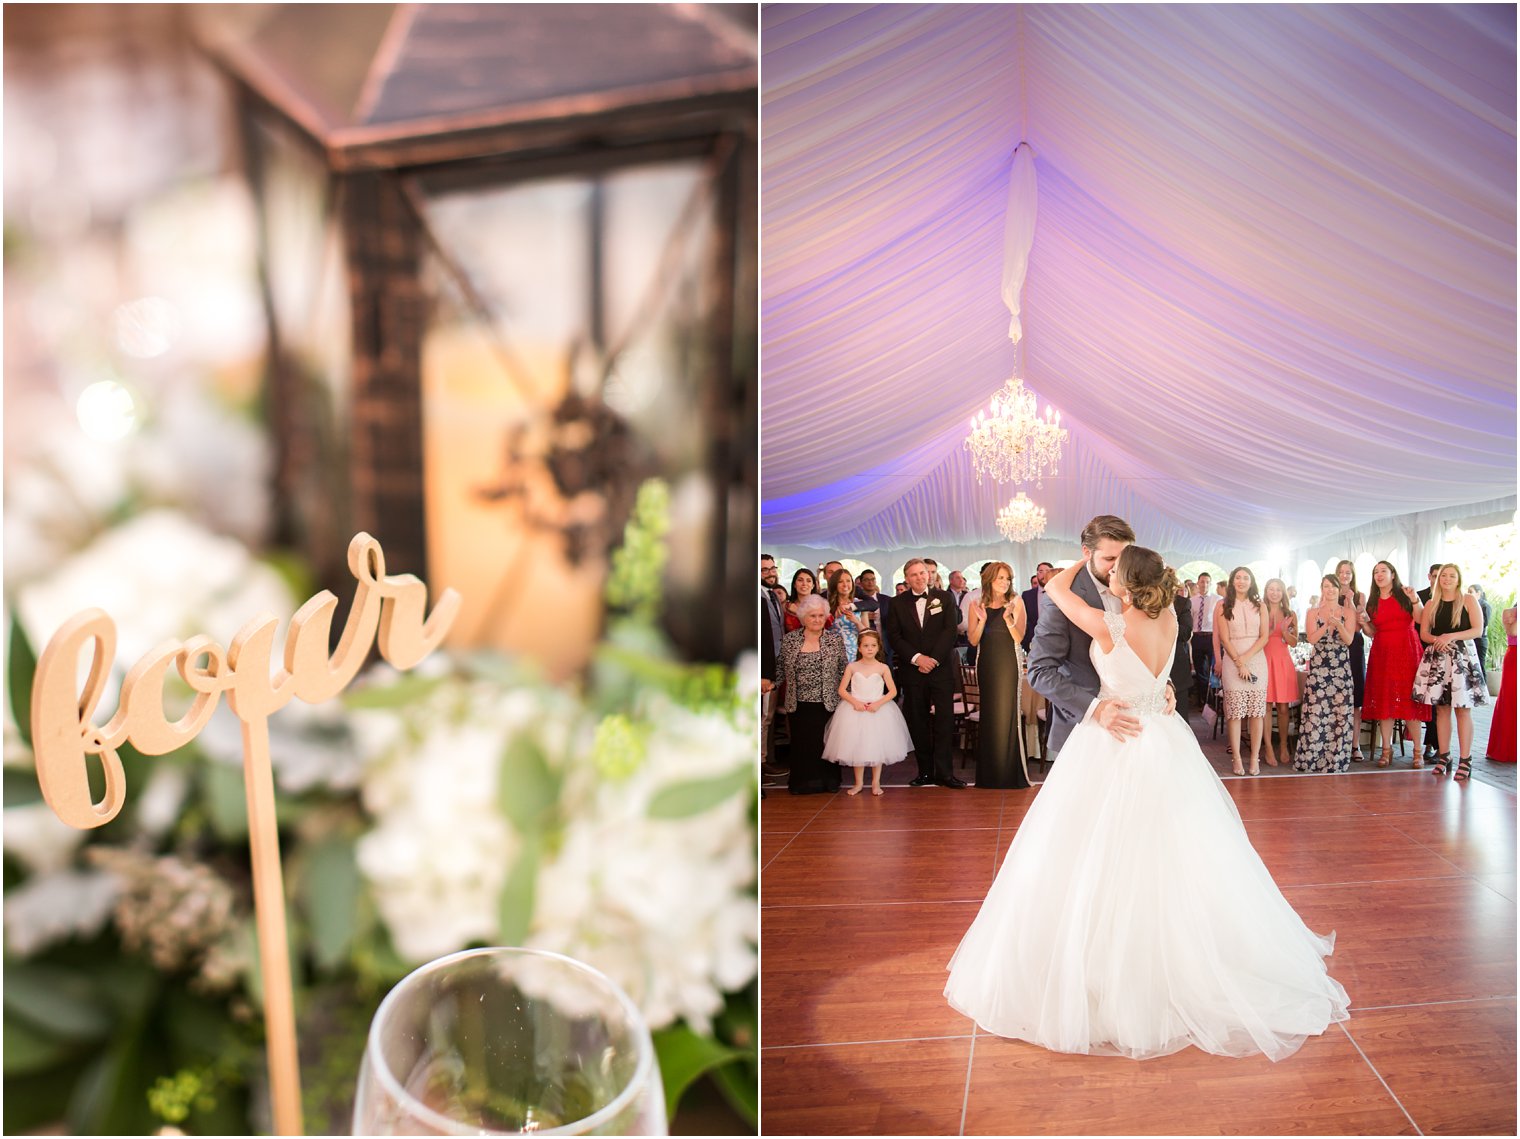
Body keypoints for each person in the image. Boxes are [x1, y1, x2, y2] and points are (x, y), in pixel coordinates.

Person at [945, 544, 1349, 1060]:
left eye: (1114, 570)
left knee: (1106, 850)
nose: (1107, 574)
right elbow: (1158, 678)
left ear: (1127, 582)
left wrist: (1084, 556)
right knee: (1173, 851)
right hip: (1162, 735)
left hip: (1117, 741)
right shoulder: (1172, 624)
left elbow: (1053, 588)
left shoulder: (1107, 624)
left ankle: (1121, 970)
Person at [1026, 515, 1183, 762]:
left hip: (1147, 730)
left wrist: (1163, 685)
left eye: (1123, 560)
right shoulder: (1064, 599)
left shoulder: (1150, 603)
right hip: (1088, 732)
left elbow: (1143, 653)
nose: (1115, 568)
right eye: (1110, 559)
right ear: (1087, 552)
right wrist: (1095, 709)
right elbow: (1039, 671)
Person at [886, 557, 965, 788]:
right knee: (918, 722)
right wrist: (917, 658)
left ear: (929, 575)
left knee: (944, 722)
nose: (920, 577)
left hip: (940, 670)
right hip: (912, 672)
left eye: (923, 573)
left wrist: (933, 660)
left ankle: (945, 774)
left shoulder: (945, 598)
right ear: (906, 579)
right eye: (914, 574)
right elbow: (895, 637)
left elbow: (950, 631)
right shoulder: (897, 603)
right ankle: (925, 773)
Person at [1413, 564, 1488, 781]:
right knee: (1442, 709)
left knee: (1463, 709)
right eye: (1443, 576)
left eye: (1451, 576)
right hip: (1437, 657)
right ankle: (1445, 755)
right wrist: (1439, 640)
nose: (1446, 579)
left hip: (1461, 658)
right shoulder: (1430, 603)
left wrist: (1451, 637)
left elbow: (1477, 630)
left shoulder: (1468, 600)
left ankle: (1466, 759)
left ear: (1459, 579)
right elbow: (1424, 633)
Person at [822, 631, 912, 796]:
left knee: (877, 746)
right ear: (859, 648)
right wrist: (855, 702)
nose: (869, 649)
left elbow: (892, 691)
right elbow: (841, 690)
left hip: (877, 711)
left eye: (873, 646)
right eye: (866, 646)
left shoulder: (883, 667)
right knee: (857, 747)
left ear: (878, 648)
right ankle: (858, 784)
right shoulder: (852, 666)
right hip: (855, 710)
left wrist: (878, 703)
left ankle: (876, 783)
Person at [1360, 560, 1430, 767]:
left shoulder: (1404, 594)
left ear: (1392, 574)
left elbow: (1420, 618)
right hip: (1382, 652)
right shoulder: (1372, 601)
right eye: (1375, 572)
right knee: (1385, 701)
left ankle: (1418, 752)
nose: (1379, 575)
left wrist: (1415, 599)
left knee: (1409, 701)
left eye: (1383, 571)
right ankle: (1387, 750)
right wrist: (1364, 622)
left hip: (1406, 650)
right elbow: (1371, 632)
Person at [966, 561, 1029, 789]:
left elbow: (1019, 638)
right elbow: (973, 641)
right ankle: (989, 775)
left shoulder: (1016, 602)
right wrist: (982, 620)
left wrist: (1008, 618)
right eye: (1000, 578)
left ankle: (1009, 773)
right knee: (990, 715)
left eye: (1008, 578)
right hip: (986, 664)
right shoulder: (976, 604)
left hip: (1008, 664)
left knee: (1007, 713)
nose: (1004, 583)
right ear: (989, 580)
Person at [779, 594, 847, 794]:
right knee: (802, 744)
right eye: (812, 616)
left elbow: (844, 669)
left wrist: (852, 695)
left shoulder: (834, 640)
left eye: (820, 615)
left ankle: (829, 782)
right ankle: (802, 784)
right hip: (798, 702)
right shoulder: (790, 640)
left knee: (826, 743)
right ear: (802, 618)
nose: (817, 620)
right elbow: (780, 667)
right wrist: (768, 682)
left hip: (827, 701)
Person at [1295, 574, 1358, 773]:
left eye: (1333, 586)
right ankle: (1312, 758)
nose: (1329, 590)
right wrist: (1326, 627)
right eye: (1326, 586)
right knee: (1316, 711)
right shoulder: (1313, 612)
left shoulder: (1348, 612)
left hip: (1340, 667)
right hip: (1320, 666)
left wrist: (1338, 624)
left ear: (1339, 589)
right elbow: (1312, 639)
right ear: (1322, 589)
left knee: (1339, 713)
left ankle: (1336, 759)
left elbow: (1349, 640)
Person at [1215, 567, 1271, 776]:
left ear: (1252, 582)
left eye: (1245, 578)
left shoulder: (1260, 606)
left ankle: (1255, 758)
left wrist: (1245, 660)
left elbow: (1264, 636)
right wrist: (1239, 663)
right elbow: (1224, 638)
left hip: (1256, 659)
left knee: (1256, 711)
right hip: (1232, 659)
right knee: (1235, 712)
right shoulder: (1223, 605)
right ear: (1232, 581)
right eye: (1237, 578)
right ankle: (1237, 758)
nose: (1241, 581)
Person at [1261, 578, 1298, 768]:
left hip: (1283, 661)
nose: (1274, 593)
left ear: (1283, 592)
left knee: (1283, 707)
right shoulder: (1259, 610)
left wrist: (1284, 632)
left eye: (1278, 589)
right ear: (1266, 591)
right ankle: (1268, 747)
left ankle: (1283, 745)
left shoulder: (1289, 613)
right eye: (1271, 589)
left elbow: (1294, 642)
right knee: (1266, 706)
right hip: (1263, 660)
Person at [1333, 560, 1367, 753]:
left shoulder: (1360, 595)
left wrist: (1351, 602)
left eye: (1348, 573)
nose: (1344, 575)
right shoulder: (1329, 593)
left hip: (1354, 644)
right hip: (1335, 645)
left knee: (1356, 696)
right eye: (1341, 572)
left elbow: (1358, 625)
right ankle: (1335, 741)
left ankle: (1355, 745)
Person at [761, 556, 787, 778]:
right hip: (763, 667)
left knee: (768, 716)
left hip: (777, 663)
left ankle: (765, 758)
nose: (770, 573)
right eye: (764, 570)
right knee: (762, 716)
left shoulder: (773, 596)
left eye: (772, 568)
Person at [1486, 606, 1516, 764]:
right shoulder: (1509, 611)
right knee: (1511, 699)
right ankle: (1508, 749)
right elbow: (1514, 632)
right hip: (1515, 656)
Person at [826, 568, 867, 661]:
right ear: (834, 584)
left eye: (848, 581)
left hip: (856, 654)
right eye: (840, 581)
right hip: (833, 655)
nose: (845, 585)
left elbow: (866, 633)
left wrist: (856, 621)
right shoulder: (826, 605)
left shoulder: (860, 604)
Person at [1189, 572, 1216, 700]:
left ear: (1210, 584)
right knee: (1200, 670)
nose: (1204, 584)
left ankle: (1215, 701)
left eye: (1207, 582)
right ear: (1198, 583)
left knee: (1215, 669)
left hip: (1212, 637)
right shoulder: (1191, 601)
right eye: (1202, 581)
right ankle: (1203, 700)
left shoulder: (1218, 600)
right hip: (1197, 637)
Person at [784, 567, 821, 633]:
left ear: (813, 585)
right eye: (800, 580)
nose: (804, 584)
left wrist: (798, 612)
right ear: (794, 584)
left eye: (808, 581)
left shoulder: (821, 606)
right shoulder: (786, 607)